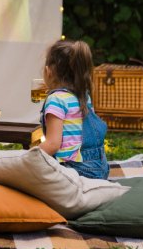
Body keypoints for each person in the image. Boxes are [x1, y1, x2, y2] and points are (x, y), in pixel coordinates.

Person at [38, 39, 109, 179]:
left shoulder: (56, 99)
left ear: (49, 71)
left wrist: (26, 156)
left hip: (74, 172)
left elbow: (52, 144)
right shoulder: (83, 95)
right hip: (100, 169)